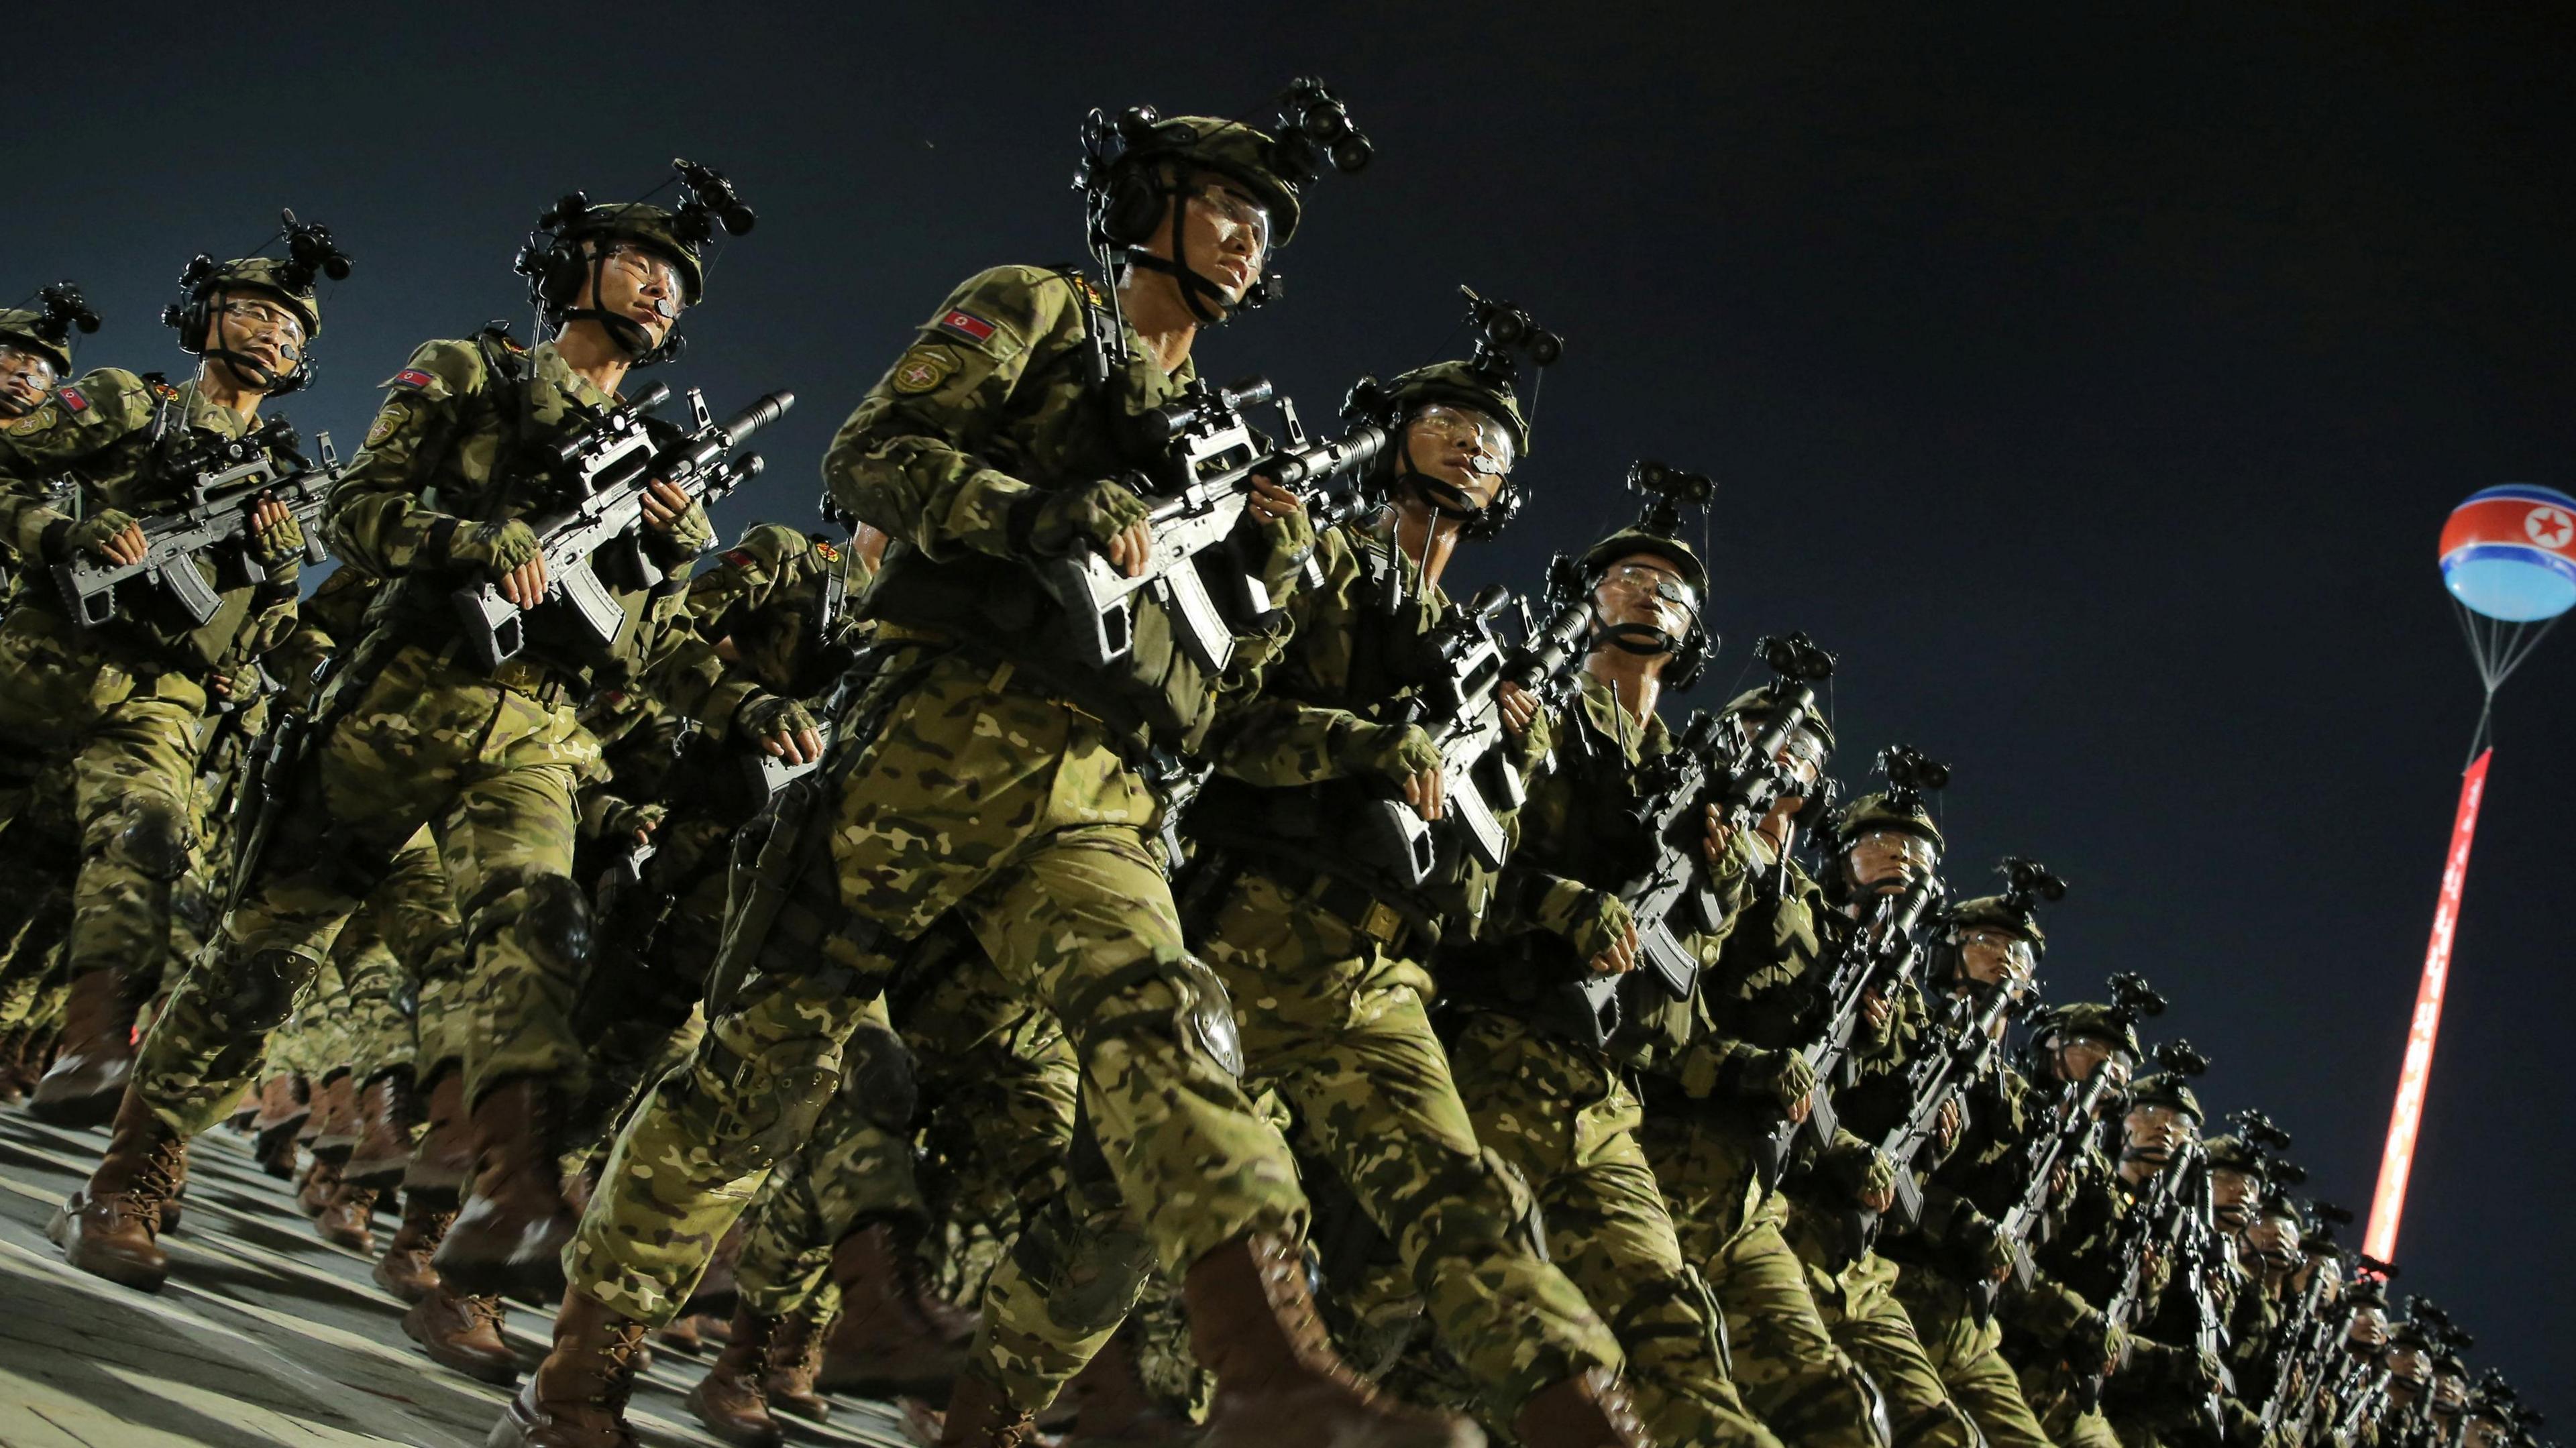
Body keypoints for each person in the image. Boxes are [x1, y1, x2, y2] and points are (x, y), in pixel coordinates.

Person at [524, 92, 1479, 1448]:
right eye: (1224, 208)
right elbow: (871, 458)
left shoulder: (1214, 434)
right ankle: (584, 1367)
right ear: (1146, 203)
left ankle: (1268, 1358)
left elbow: (1203, 692)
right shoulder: (1034, 310)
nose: (1246, 245)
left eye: (1264, 230)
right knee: (764, 1068)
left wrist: (1253, 565)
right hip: (932, 741)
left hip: (1100, 793)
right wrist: (1033, 510)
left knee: (1173, 1023)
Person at [0, 235, 332, 1129]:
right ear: (203, 317)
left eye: (292, 329)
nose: (273, 334)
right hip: (37, 665)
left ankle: (97, 1042)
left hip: (157, 699)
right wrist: (63, 535)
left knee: (146, 833)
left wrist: (270, 571)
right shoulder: (123, 403)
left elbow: (255, 641)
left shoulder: (280, 485)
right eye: (255, 311)